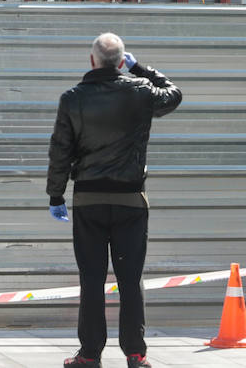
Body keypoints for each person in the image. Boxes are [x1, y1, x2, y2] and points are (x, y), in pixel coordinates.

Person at [46, 32, 183, 368]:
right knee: (130, 280)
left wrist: (56, 195)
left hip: (89, 201)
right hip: (131, 203)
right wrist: (142, 69)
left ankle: (90, 354)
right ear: (121, 61)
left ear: (93, 60)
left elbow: (60, 150)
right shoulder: (140, 92)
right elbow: (174, 94)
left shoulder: (73, 98)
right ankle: (135, 353)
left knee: (91, 280)